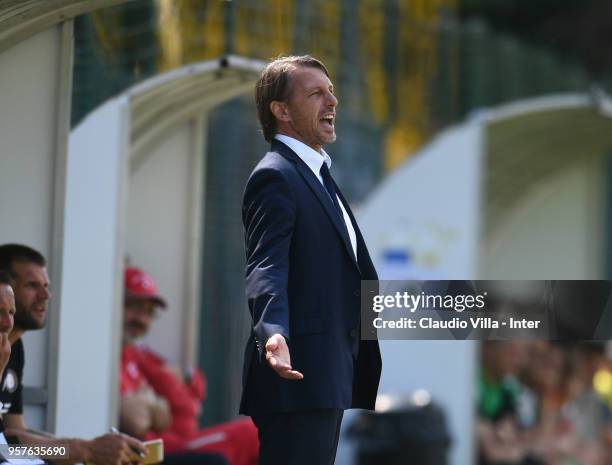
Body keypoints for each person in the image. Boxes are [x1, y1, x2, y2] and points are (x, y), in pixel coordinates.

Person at [240, 55, 382, 465]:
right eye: (316, 93)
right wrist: (273, 331)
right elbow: (266, 265)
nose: (332, 101)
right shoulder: (276, 176)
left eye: (331, 90)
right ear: (281, 111)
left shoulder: (316, 175)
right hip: (298, 376)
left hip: (325, 375)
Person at [0, 243, 147, 465]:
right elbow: (8, 447)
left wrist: (85, 451)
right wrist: (82, 450)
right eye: (32, 285)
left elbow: (14, 438)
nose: (45, 295)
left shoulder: (14, 347)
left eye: (46, 286)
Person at [119, 266, 258, 465]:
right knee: (249, 434)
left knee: (258, 435)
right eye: (134, 306)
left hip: (179, 440)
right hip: (151, 452)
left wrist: (155, 401)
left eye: (148, 312)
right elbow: (137, 421)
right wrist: (159, 406)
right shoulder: (111, 357)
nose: (141, 319)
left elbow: (197, 386)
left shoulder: (139, 354)